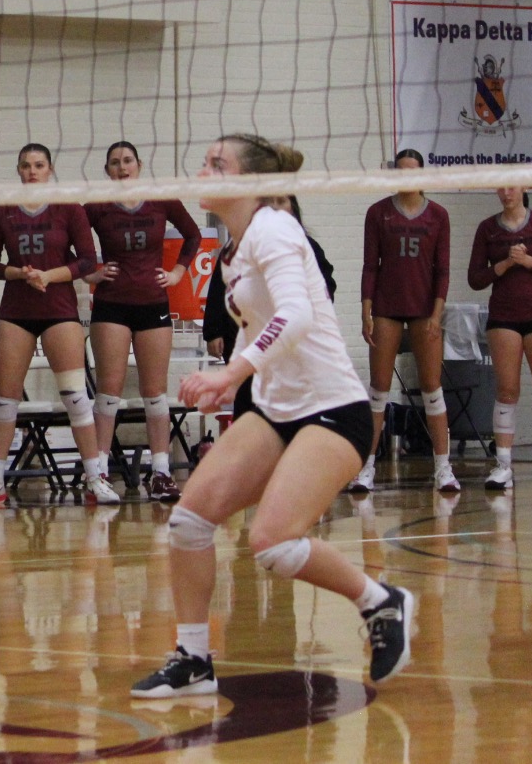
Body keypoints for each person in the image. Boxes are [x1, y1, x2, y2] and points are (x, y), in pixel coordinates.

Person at [131, 134, 414, 699]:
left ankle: (381, 602)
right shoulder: (234, 248)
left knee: (273, 543)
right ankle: (193, 658)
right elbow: (256, 329)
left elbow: (298, 316)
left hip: (333, 409)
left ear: (252, 182)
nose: (204, 171)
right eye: (206, 162)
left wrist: (231, 376)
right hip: (276, 409)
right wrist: (229, 375)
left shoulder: (275, 227)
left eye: (219, 164)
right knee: (189, 524)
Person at [0, 144, 115, 507]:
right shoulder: (4, 210)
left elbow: (88, 260)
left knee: (76, 398)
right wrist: (19, 273)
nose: (32, 171)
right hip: (16, 310)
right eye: (26, 165)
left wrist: (48, 275)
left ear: (50, 169)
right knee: (5, 400)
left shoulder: (69, 209)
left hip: (59, 308)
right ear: (19, 170)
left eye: (39, 165)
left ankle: (95, 479)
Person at [84, 140, 200, 503]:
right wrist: (91, 272)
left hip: (153, 303)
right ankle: (99, 472)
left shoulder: (161, 199)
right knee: (109, 392)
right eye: (114, 162)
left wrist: (179, 272)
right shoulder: (97, 206)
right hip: (112, 305)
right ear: (107, 171)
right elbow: (68, 242)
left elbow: (193, 234)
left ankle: (161, 473)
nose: (122, 167)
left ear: (139, 165)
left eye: (127, 161)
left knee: (155, 392)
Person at [356, 150, 455, 494]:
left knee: (431, 388)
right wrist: (366, 308)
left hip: (424, 310)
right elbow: (371, 265)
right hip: (386, 308)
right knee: (378, 388)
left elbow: (443, 270)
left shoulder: (439, 216)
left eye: (412, 171)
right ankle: (366, 467)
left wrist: (437, 312)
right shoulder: (378, 212)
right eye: (401, 171)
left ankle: (443, 468)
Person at [467, 188, 532, 490]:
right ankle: (502, 465)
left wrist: (530, 263)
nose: (506, 192)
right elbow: (475, 279)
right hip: (503, 318)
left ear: (523, 188)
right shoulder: (487, 228)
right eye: (501, 186)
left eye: (512, 185)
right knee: (507, 390)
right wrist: (504, 265)